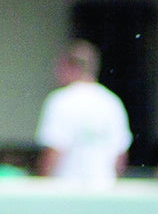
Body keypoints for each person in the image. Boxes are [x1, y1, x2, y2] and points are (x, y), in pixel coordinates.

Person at [35, 39, 131, 185]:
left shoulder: (61, 101)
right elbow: (120, 156)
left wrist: (42, 186)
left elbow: (53, 151)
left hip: (67, 192)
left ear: (70, 67)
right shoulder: (112, 102)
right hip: (103, 192)